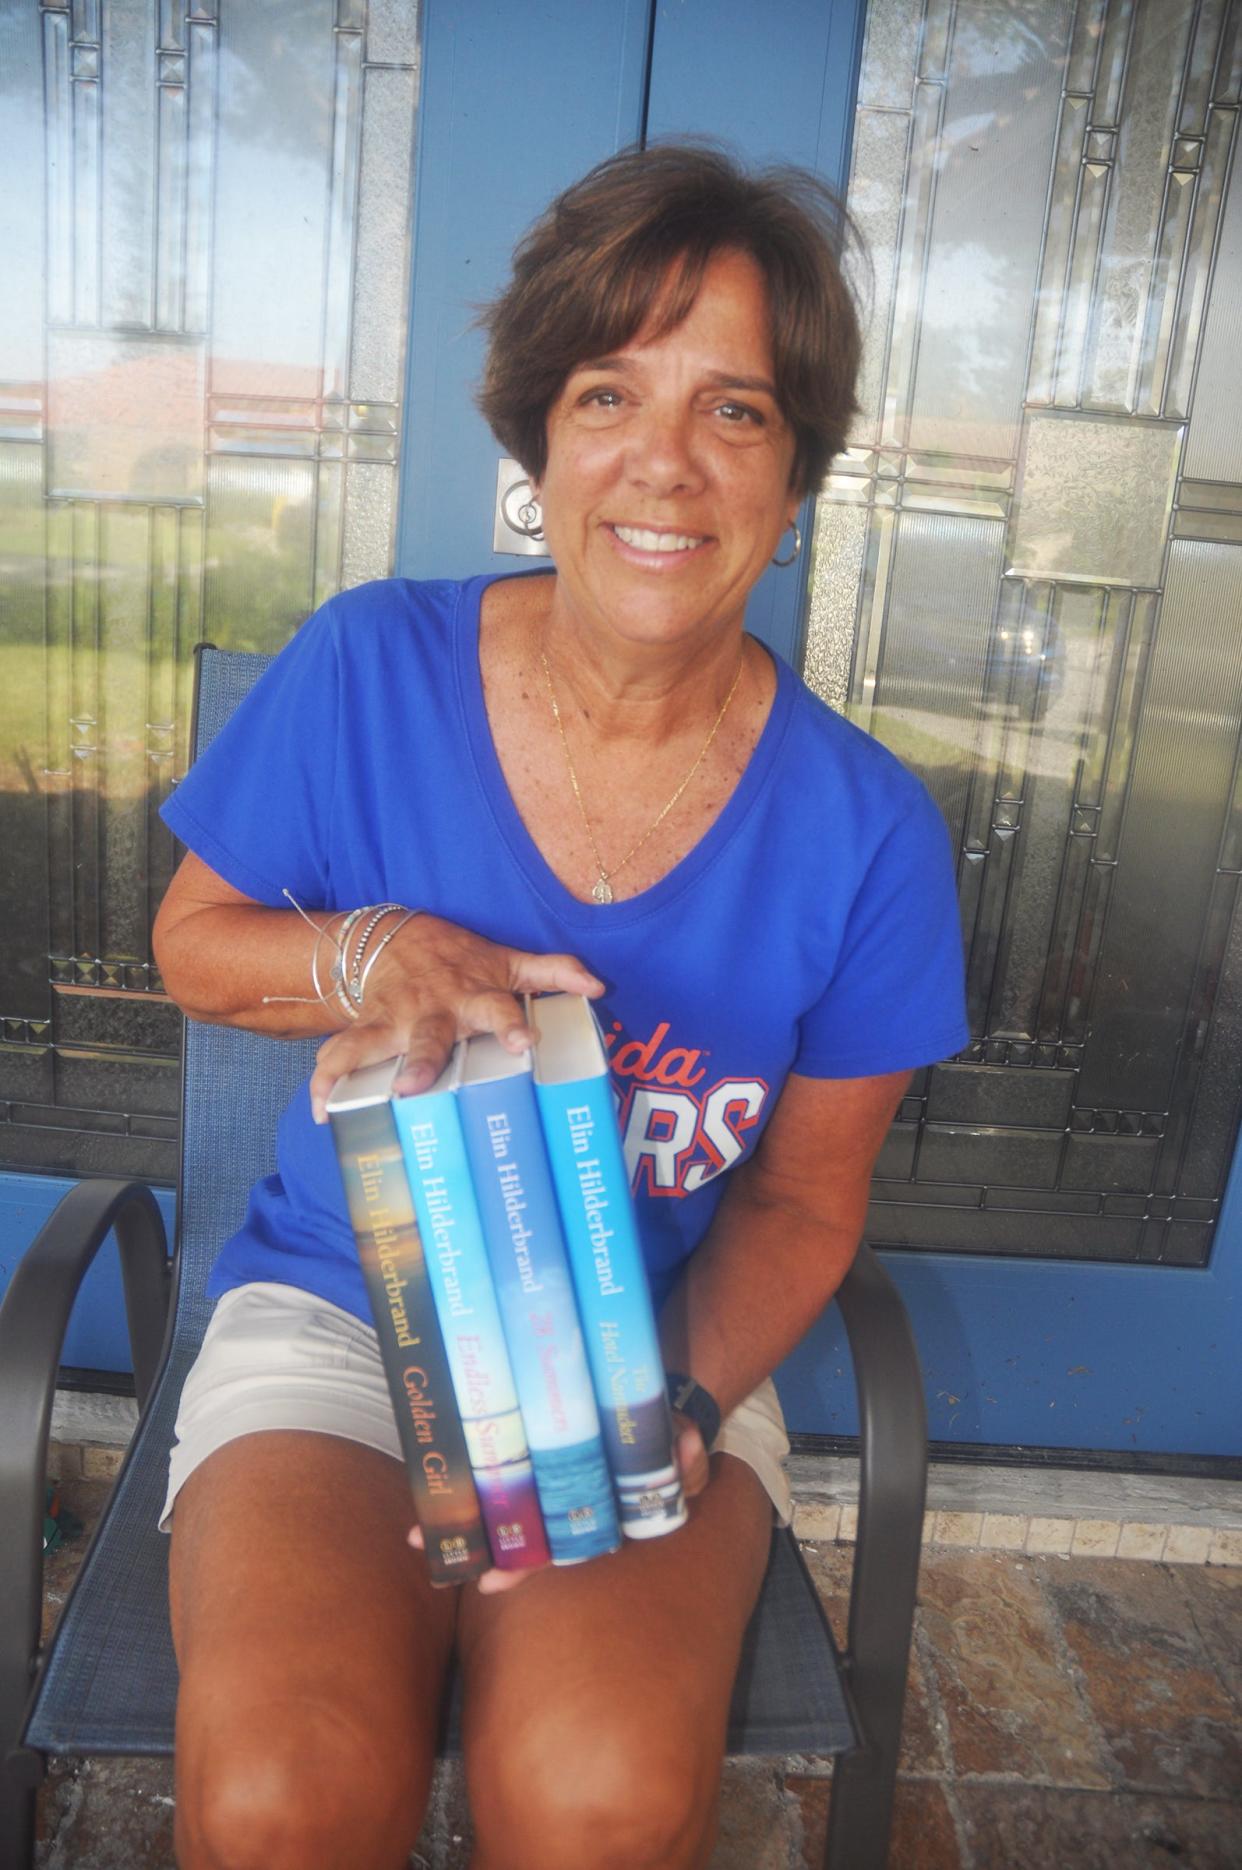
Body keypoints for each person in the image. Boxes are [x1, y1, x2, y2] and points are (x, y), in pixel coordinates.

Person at [153, 143, 968, 1870]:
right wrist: (374, 952)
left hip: (644, 1352)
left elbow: (810, 1201)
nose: (662, 463)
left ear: (796, 472)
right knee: (277, 1798)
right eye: (609, 393)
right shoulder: (368, 663)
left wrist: (646, 1410)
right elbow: (194, 943)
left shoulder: (869, 831)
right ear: (537, 443)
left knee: (594, 1794)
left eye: (735, 409)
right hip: (338, 1329)